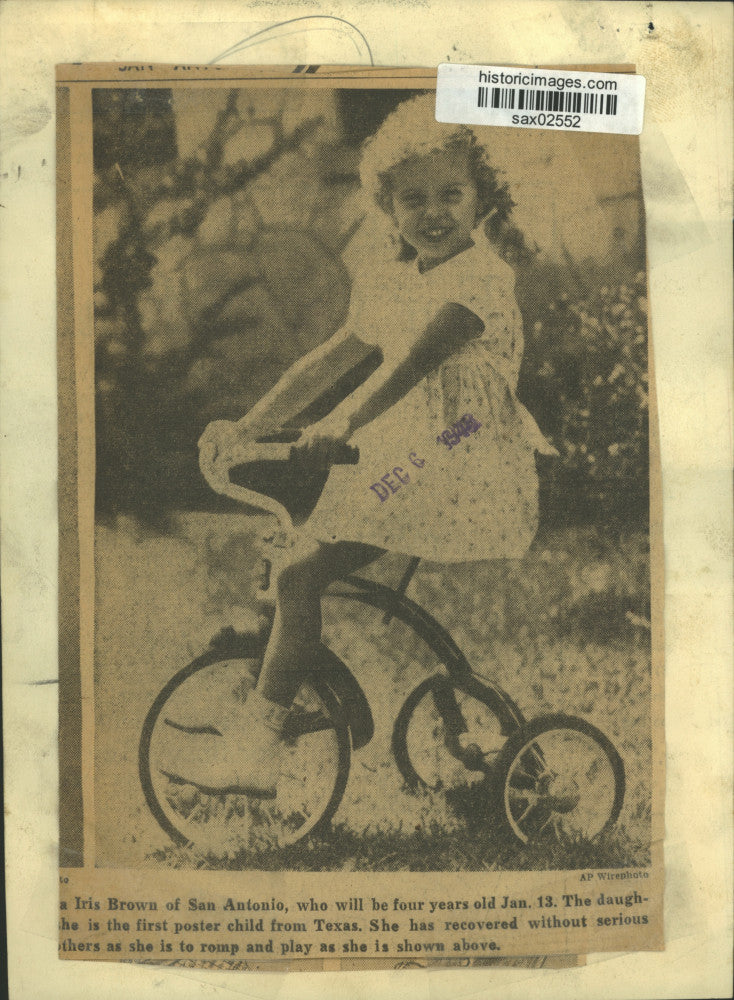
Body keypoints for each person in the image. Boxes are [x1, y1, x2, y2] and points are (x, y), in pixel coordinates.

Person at [175, 93, 555, 797]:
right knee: (291, 560)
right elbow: (327, 360)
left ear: (480, 200)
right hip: (408, 455)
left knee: (300, 573)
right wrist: (247, 424)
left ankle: (258, 747)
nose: (433, 212)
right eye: (414, 199)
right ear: (389, 208)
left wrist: (343, 424)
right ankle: (256, 699)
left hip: (459, 455)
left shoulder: (481, 278)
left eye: (450, 194)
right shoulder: (390, 278)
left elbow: (411, 365)